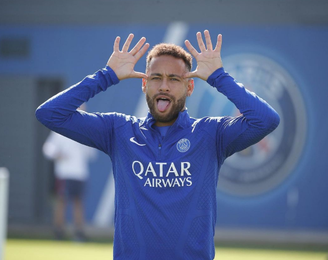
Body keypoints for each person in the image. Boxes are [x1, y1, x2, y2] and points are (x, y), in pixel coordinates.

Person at [36, 30, 280, 259]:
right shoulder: (118, 131)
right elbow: (50, 114)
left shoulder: (211, 134)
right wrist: (106, 76)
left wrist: (219, 78)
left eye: (174, 79)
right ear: (144, 84)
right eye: (156, 78)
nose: (164, 85)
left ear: (190, 86)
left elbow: (266, 120)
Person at [42, 105, 96, 241]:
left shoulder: (87, 131)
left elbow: (92, 154)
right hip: (64, 174)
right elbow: (48, 149)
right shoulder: (61, 129)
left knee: (78, 203)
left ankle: (79, 233)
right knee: (61, 202)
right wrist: (58, 154)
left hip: (80, 174)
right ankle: (59, 232)